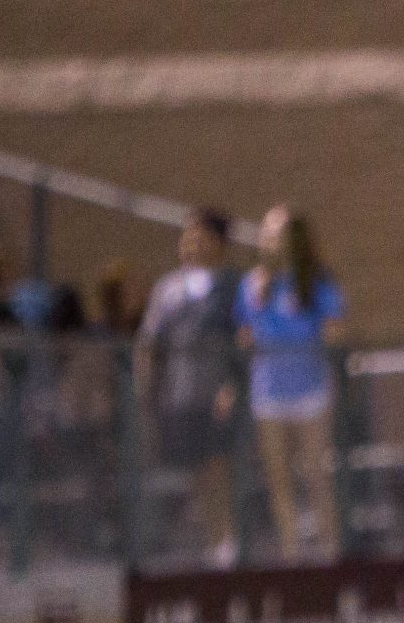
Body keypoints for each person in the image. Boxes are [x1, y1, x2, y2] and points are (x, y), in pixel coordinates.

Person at [236, 205, 346, 560]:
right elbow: (245, 333)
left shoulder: (317, 281)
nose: (271, 240)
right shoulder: (253, 285)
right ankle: (291, 552)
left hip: (310, 391)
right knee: (278, 478)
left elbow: (335, 330)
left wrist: (326, 339)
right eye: (266, 233)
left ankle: (331, 550)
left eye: (278, 232)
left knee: (316, 473)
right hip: (269, 393)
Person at [138, 209, 241, 558]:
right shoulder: (168, 289)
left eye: (199, 236)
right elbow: (150, 341)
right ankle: (211, 538)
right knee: (195, 468)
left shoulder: (232, 287)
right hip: (180, 395)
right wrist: (147, 389)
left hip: (218, 394)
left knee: (219, 463)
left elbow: (242, 341)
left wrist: (233, 384)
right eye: (187, 235)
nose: (190, 243)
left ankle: (227, 536)